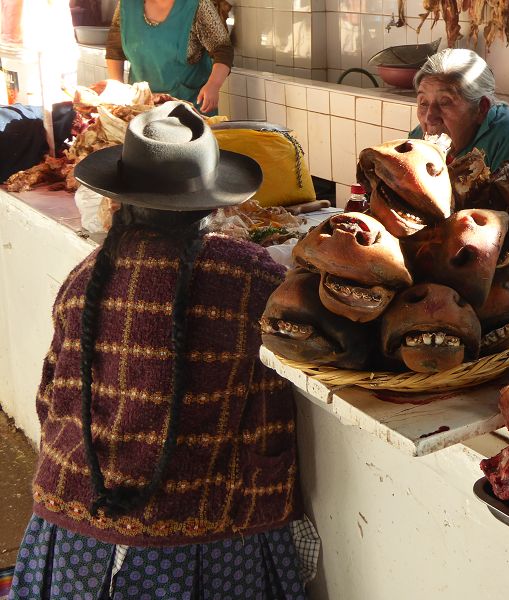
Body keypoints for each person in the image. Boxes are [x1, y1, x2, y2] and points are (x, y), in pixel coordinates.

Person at [9, 101, 310, 600]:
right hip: (210, 525)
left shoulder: (85, 277)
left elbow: (50, 397)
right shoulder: (251, 275)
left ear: (120, 202)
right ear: (213, 203)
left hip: (76, 516)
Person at [409, 48, 509, 172]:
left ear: (481, 108)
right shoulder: (418, 139)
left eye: (445, 102)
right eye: (423, 103)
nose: (430, 118)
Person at [105, 0, 232, 114]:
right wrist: (119, 88)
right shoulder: (127, 5)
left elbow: (222, 49)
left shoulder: (197, 5)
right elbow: (115, 49)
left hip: (189, 111)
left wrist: (213, 85)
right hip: (140, 109)